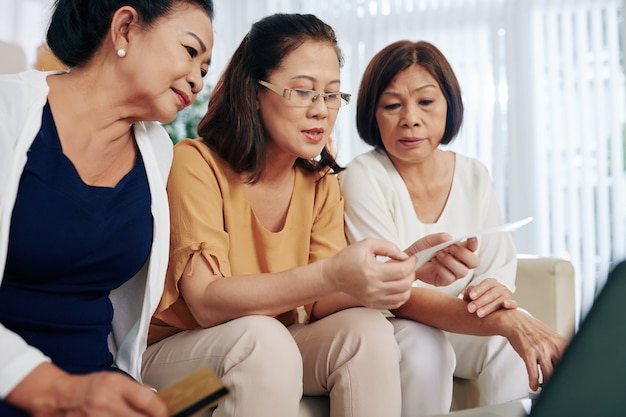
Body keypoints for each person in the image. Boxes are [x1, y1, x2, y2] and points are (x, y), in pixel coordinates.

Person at [141, 13, 476, 417]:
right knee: (262, 340)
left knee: (366, 331)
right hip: (177, 379)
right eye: (303, 92)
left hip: (272, 350)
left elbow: (320, 301)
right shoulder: (195, 164)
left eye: (333, 95)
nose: (321, 110)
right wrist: (330, 274)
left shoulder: (318, 184)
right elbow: (207, 302)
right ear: (254, 91)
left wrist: (407, 268)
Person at [0, 1, 214, 416]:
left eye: (205, 70)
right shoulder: (7, 110)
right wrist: (51, 388)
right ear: (125, 28)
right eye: (191, 52)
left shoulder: (157, 152)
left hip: (96, 385)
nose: (197, 80)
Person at [339, 40, 569, 416]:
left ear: (449, 105)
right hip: (394, 325)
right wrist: (505, 320)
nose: (410, 118)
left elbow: (497, 266)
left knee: (512, 347)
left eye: (426, 102)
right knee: (427, 347)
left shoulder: (474, 174)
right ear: (372, 114)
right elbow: (397, 293)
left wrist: (495, 295)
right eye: (392, 104)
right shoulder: (362, 176)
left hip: (463, 319)